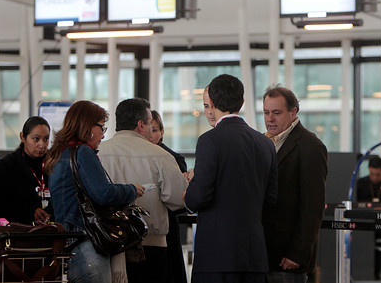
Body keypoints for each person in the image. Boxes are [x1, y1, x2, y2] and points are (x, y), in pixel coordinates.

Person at [185, 74, 278, 283]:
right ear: (242, 102)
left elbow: (198, 197)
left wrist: (189, 189)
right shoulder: (265, 144)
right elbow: (271, 199)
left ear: (213, 103)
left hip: (217, 256)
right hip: (254, 256)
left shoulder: (210, 141)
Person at [45, 100, 144, 283]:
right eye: (101, 127)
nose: (102, 134)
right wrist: (131, 189)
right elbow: (103, 193)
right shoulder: (82, 152)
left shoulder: (58, 154)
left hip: (68, 241)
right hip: (87, 243)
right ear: (87, 125)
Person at [99, 98, 188, 283]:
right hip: (150, 246)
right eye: (149, 124)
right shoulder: (161, 155)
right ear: (141, 125)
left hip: (106, 244)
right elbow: (179, 199)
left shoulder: (98, 153)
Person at [261, 85, 328, 283]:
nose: (270, 119)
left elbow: (313, 207)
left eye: (276, 113)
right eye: (266, 112)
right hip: (260, 254)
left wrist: (297, 253)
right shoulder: (262, 143)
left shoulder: (311, 147)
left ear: (293, 113)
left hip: (287, 260)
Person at [0, 116, 54, 224]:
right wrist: (30, 211)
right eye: (36, 139)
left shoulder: (54, 163)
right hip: (19, 231)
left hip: (51, 228)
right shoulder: (7, 165)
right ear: (22, 137)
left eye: (46, 139)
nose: (42, 145)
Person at [149, 110, 188, 283]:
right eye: (149, 129)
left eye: (156, 130)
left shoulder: (173, 158)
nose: (152, 134)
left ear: (162, 132)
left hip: (168, 221)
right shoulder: (140, 155)